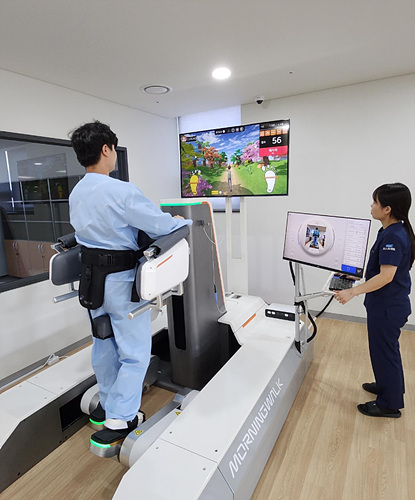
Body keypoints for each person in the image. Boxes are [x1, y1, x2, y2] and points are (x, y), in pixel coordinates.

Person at [69, 120, 192, 444]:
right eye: (113, 149)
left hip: (91, 281)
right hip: (121, 282)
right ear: (106, 149)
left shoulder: (77, 192)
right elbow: (157, 225)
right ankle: (121, 419)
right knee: (134, 352)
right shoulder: (121, 191)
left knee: (103, 343)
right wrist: (180, 222)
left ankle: (108, 403)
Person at [335, 183, 414, 418]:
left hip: (388, 308)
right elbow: (380, 269)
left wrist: (353, 292)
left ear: (387, 209)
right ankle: (385, 386)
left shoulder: (394, 237)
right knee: (381, 352)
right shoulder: (390, 231)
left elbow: (386, 276)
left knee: (386, 354)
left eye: (375, 202)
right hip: (386, 304)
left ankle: (390, 404)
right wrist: (356, 276)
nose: (371, 206)